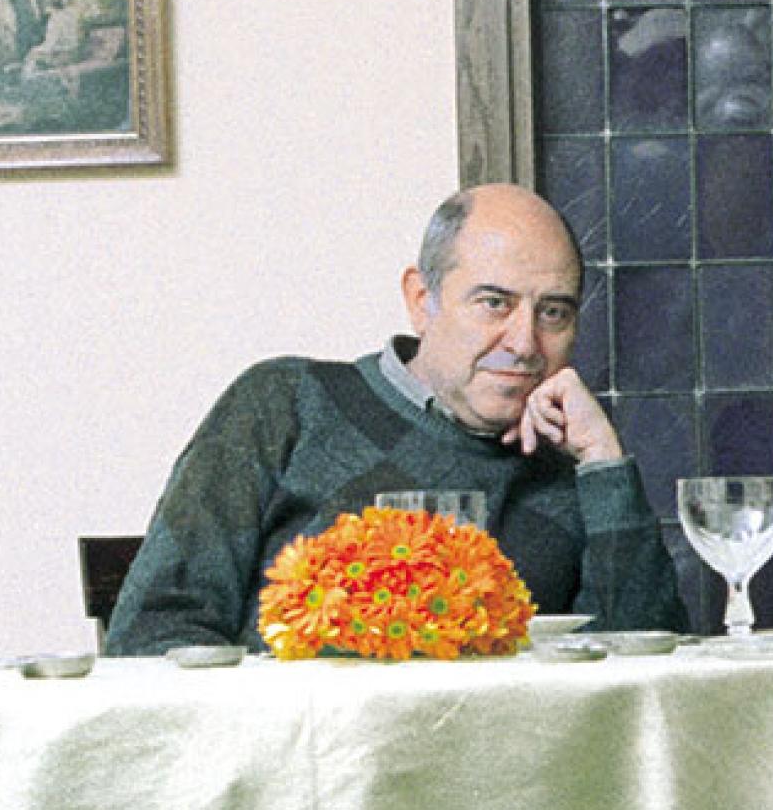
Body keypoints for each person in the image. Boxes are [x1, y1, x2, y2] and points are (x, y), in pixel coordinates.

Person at [107, 184, 688, 654]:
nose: (524, 342)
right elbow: (153, 633)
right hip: (297, 753)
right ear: (420, 300)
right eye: (494, 303)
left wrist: (604, 461)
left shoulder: (575, 472)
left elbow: (643, 679)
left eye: (553, 313)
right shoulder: (285, 402)